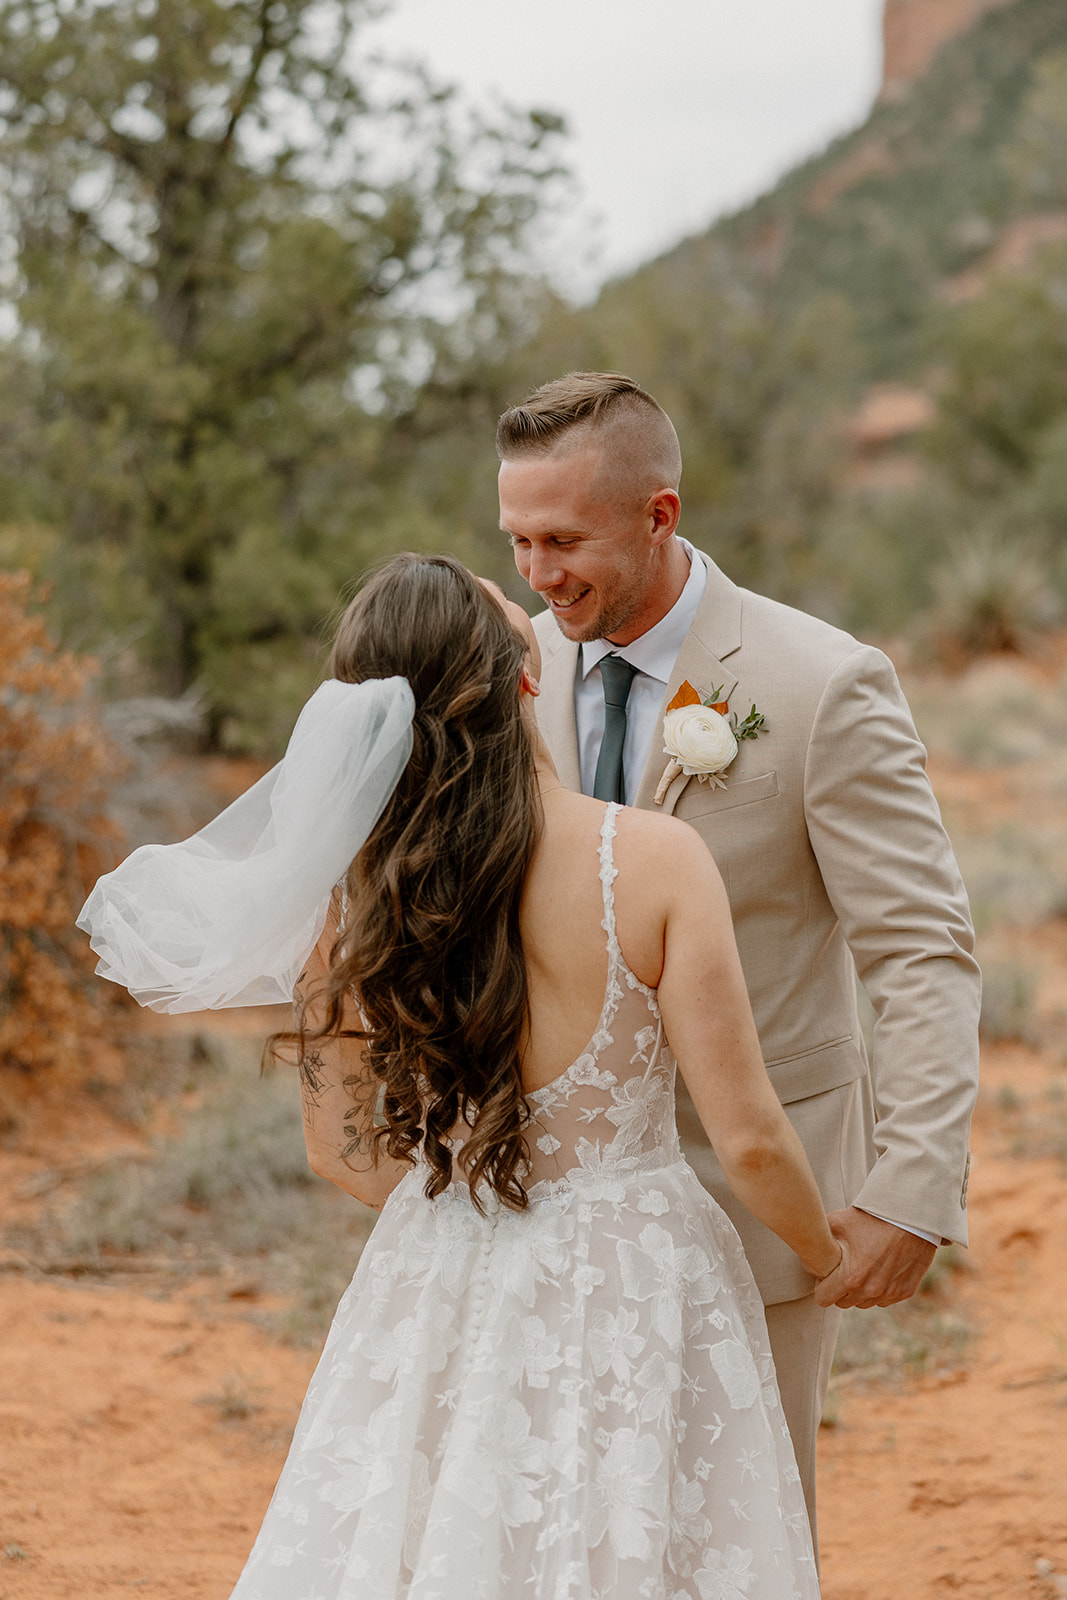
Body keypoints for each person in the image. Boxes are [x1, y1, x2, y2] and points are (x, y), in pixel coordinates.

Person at [80, 553, 847, 1599]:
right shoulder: (655, 862)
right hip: (636, 1271)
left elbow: (336, 1152)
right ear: (521, 679)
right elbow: (750, 1137)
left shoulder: (353, 901)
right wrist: (825, 1251)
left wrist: (476, 1218)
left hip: (443, 1260)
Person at [496, 371, 982, 1545]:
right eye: (515, 540)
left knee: (740, 1535)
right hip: (555, 1200)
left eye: (563, 540)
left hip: (756, 1205)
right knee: (572, 1529)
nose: (537, 574)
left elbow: (919, 947)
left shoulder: (820, 686)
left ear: (658, 515)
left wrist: (911, 1182)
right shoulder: (522, 663)